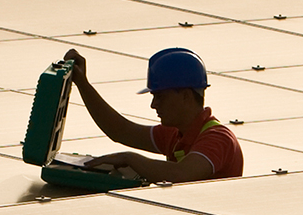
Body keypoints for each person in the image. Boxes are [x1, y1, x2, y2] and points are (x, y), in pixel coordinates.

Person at [62, 48, 243, 182]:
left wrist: (129, 158)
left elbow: (181, 174)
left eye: (160, 97)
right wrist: (83, 84)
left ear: (186, 96)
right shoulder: (175, 133)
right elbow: (120, 131)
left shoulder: (218, 139)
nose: (153, 104)